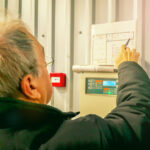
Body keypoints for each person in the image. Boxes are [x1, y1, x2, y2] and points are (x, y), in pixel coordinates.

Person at [0, 19, 150, 150]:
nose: (48, 72)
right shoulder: (67, 140)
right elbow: (135, 122)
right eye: (45, 64)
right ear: (31, 86)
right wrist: (128, 65)